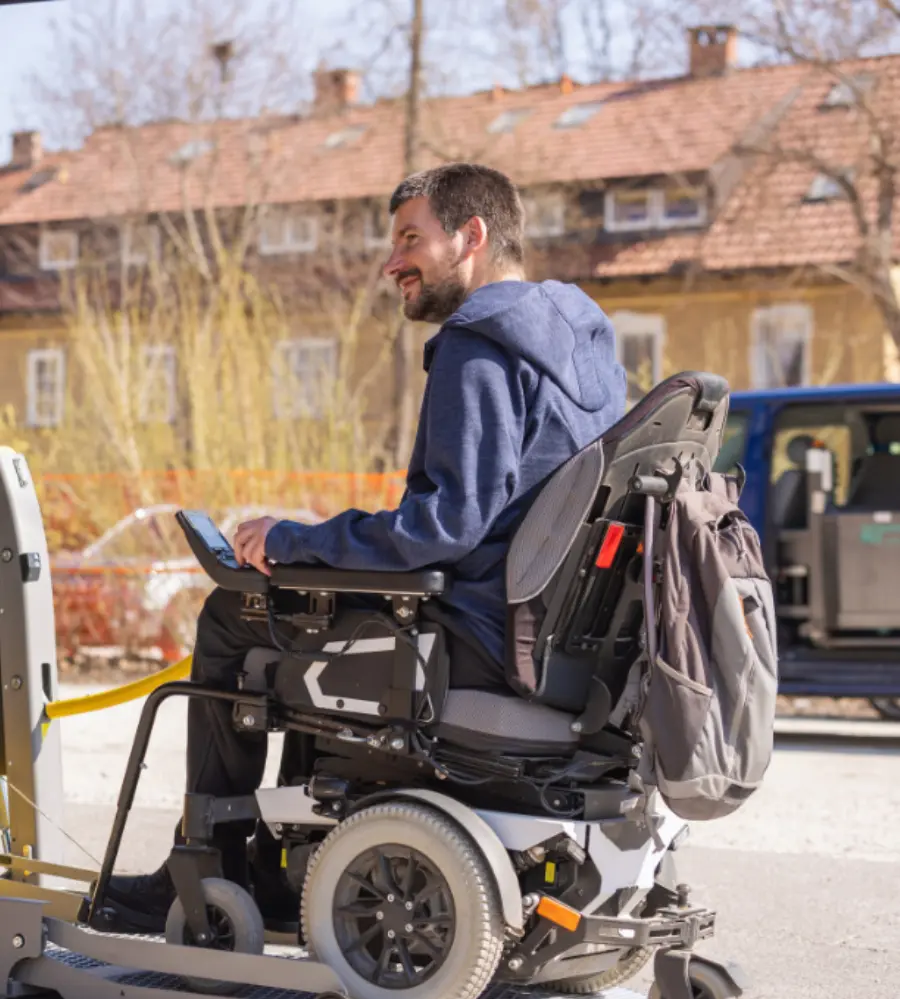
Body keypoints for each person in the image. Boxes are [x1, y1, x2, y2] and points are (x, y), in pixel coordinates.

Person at [103, 162, 627, 932]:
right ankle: (280, 860)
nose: (393, 262)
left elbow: (442, 528)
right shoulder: (585, 346)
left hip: (477, 637)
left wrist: (292, 538)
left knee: (235, 615)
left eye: (411, 239)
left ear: (471, 237)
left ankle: (214, 868)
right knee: (314, 607)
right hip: (557, 644)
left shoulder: (478, 347)